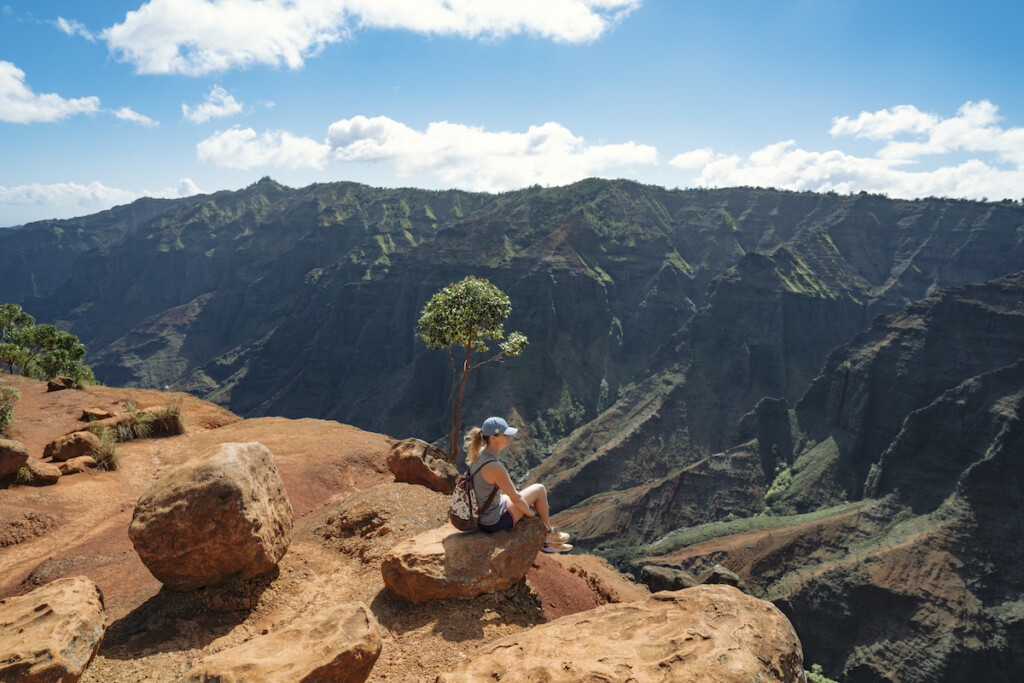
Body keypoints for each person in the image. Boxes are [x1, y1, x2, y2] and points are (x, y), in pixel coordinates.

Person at [466, 416, 572, 553]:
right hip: (492, 521)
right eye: (505, 434)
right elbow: (516, 498)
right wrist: (532, 516)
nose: (509, 437)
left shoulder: (479, 454)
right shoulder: (494, 466)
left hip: (482, 514)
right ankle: (548, 535)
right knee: (539, 489)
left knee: (524, 497)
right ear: (493, 437)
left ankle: (549, 538)